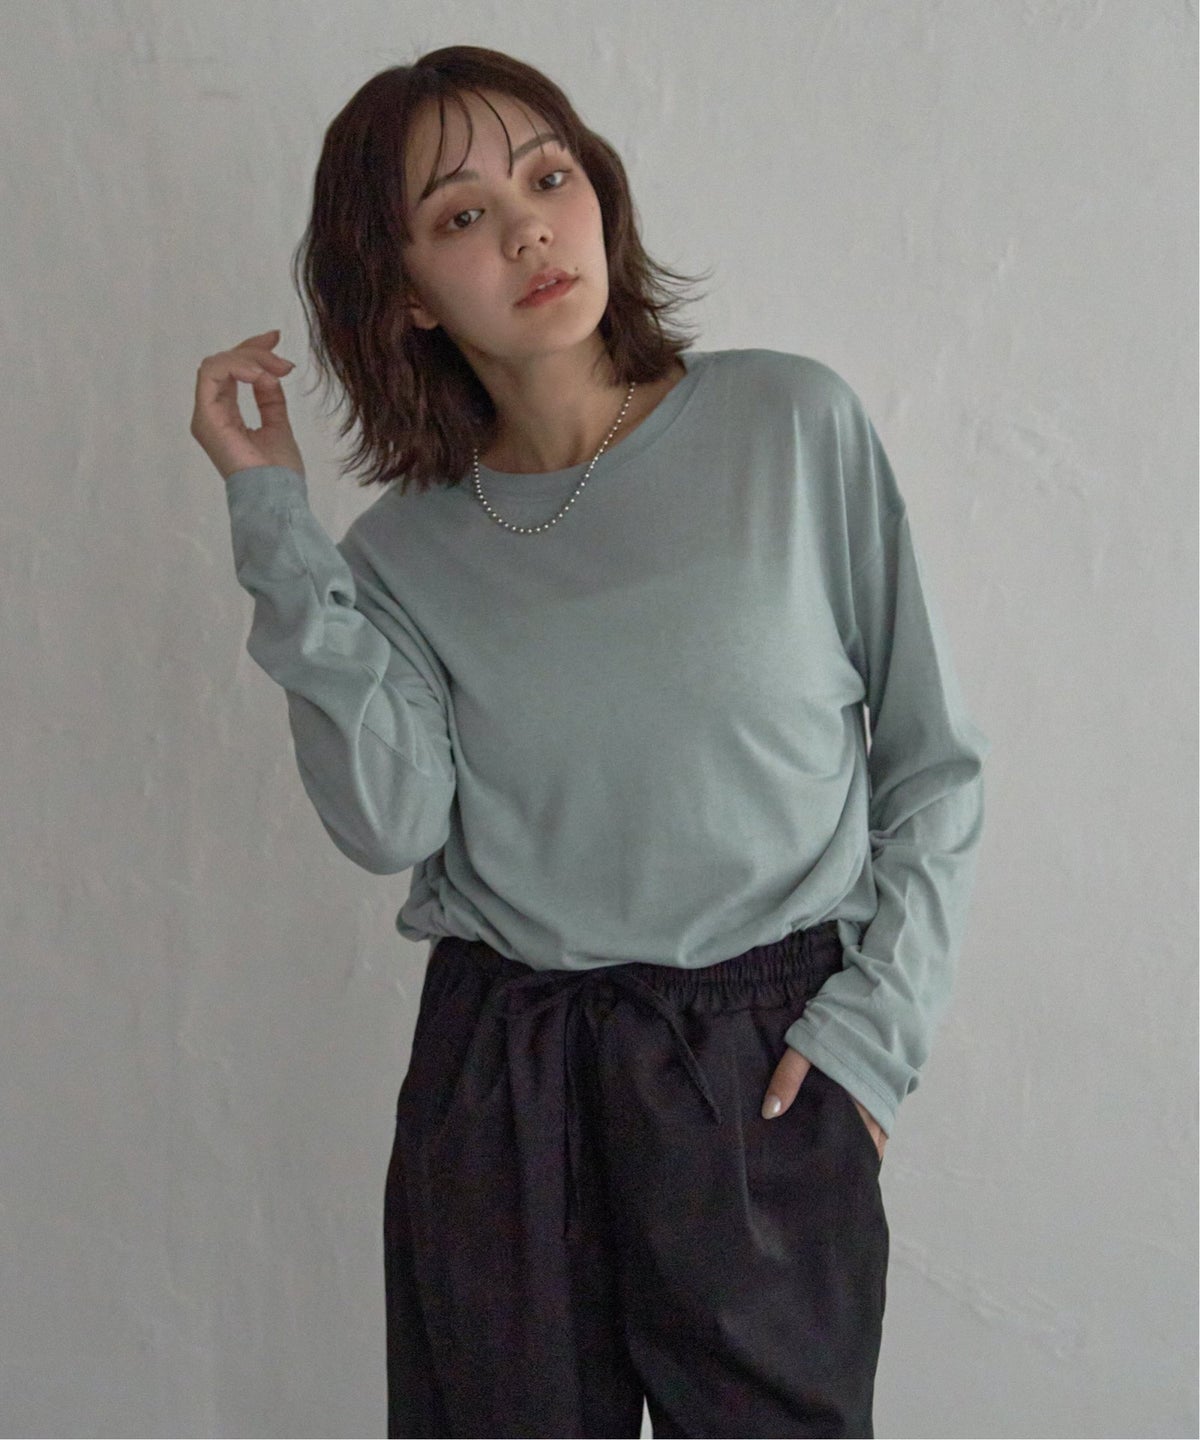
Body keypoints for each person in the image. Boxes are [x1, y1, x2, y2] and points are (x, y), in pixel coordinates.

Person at [190, 44, 990, 1440]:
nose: (528, 231)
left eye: (549, 177)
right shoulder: (398, 558)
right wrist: (274, 522)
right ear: (406, 294)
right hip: (507, 1068)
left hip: (761, 1057)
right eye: (462, 214)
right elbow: (388, 822)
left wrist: (875, 1041)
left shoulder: (789, 424)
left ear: (599, 193)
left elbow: (929, 763)